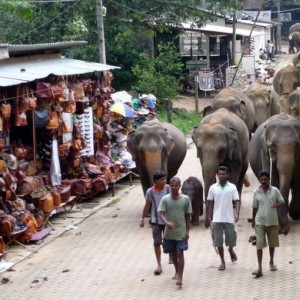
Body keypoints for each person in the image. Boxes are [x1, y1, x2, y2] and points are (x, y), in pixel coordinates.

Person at [158, 177, 192, 287]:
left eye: (176, 185)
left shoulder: (185, 199)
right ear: (169, 186)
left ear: (179, 186)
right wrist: (166, 222)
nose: (174, 187)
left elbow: (188, 216)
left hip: (181, 230)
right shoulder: (165, 199)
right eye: (172, 185)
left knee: (180, 252)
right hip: (169, 232)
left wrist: (187, 231)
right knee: (172, 253)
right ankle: (177, 271)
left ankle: (180, 278)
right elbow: (161, 213)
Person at [205, 166, 240, 271]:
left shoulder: (232, 187)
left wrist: (237, 213)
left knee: (231, 239)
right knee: (218, 241)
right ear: (217, 175)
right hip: (217, 218)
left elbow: (237, 201)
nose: (221, 176)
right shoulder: (213, 188)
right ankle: (222, 262)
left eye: (223, 174)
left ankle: (231, 250)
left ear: (228, 175)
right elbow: (209, 202)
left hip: (229, 218)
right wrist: (208, 216)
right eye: (220, 174)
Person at [251, 170, 285, 278]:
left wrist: (276, 205)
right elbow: (254, 207)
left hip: (272, 221)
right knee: (259, 244)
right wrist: (253, 219)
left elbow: (282, 202)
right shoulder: (256, 192)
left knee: (272, 243)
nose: (263, 181)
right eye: (261, 180)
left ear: (269, 179)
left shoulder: (275, 191)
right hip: (260, 221)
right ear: (260, 180)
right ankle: (259, 267)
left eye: (265, 179)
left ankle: (271, 262)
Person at [139, 171, 171, 275]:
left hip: (168, 220)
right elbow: (147, 205)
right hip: (156, 221)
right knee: (157, 243)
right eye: (162, 180)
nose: (164, 181)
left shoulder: (169, 189)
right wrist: (142, 218)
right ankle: (159, 264)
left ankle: (171, 255)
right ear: (156, 181)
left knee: (169, 240)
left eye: (165, 179)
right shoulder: (150, 192)